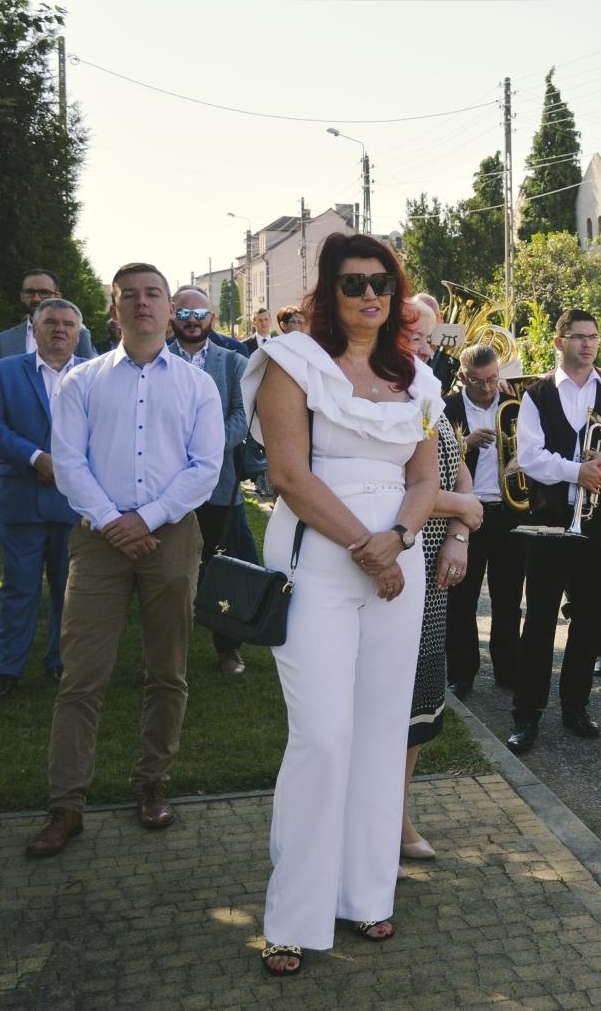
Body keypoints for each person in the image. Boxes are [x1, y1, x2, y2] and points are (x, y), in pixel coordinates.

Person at [244, 232, 441, 976]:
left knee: (380, 732)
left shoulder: (416, 376)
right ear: (328, 290)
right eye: (354, 282)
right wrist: (367, 544)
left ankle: (365, 893)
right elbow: (289, 474)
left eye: (382, 285)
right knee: (323, 736)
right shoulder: (291, 362)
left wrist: (398, 537)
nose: (369, 296)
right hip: (320, 564)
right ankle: (293, 911)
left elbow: (425, 477)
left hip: (398, 563)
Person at [26, 263, 223, 858]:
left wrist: (150, 518)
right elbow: (70, 462)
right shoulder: (81, 382)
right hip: (98, 538)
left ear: (170, 309)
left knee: (167, 670)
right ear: (113, 311)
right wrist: (115, 522)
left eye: (153, 295)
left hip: (170, 538)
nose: (142, 305)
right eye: (129, 296)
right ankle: (67, 805)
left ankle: (152, 784)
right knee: (82, 675)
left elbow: (206, 468)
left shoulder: (198, 386)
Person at [505, 309, 601, 753]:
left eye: (592, 337)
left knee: (589, 619)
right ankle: (526, 715)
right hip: (550, 522)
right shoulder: (537, 395)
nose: (587, 344)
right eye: (578, 337)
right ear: (558, 341)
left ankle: (575, 706)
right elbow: (529, 457)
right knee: (541, 620)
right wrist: (577, 472)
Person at [401, 301, 483, 861]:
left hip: (433, 574)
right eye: (416, 337)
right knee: (386, 700)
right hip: (395, 566)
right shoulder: (375, 397)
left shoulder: (426, 392)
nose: (428, 348)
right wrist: (464, 508)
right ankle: (386, 820)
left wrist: (459, 531)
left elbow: (458, 472)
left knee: (420, 700)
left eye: (430, 339)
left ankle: (396, 811)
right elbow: (392, 492)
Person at [0, 298, 84, 699]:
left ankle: (60, 662)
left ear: (78, 333)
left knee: (70, 589)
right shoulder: (3, 371)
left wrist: (65, 465)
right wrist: (36, 458)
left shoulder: (94, 375)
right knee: (19, 588)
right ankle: (6, 669)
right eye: (50, 322)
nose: (59, 330)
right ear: (34, 328)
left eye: (67, 324)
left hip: (75, 501)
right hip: (22, 495)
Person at [168, 288, 252, 675]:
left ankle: (228, 648)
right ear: (172, 314)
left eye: (199, 312)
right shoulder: (156, 358)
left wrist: (206, 447)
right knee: (171, 572)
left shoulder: (234, 363)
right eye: (184, 311)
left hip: (220, 485)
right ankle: (171, 651)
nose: (192, 319)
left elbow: (242, 416)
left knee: (222, 569)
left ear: (212, 317)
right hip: (166, 486)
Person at [443, 343, 528, 698]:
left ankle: (508, 669)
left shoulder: (514, 406)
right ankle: (462, 672)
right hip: (466, 512)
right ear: (463, 379)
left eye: (493, 379)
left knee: (508, 597)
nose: (487, 388)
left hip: (507, 511)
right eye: (478, 382)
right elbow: (436, 459)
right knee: (461, 598)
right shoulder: (448, 409)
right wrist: (466, 443)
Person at [0, 269, 97, 362]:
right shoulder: (5, 339)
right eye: (30, 292)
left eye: (44, 292)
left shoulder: (78, 334)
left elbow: (90, 373)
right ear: (22, 296)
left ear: (58, 297)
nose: (36, 299)